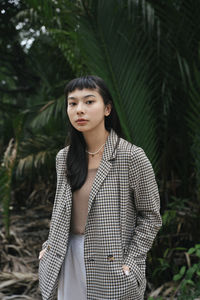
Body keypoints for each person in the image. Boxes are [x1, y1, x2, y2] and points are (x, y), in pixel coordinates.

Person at [38, 75, 162, 300]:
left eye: (89, 101)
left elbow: (151, 216)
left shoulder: (131, 157)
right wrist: (49, 246)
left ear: (107, 109)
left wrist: (132, 260)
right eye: (72, 103)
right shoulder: (64, 158)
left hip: (112, 264)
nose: (79, 110)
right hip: (67, 257)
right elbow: (60, 209)